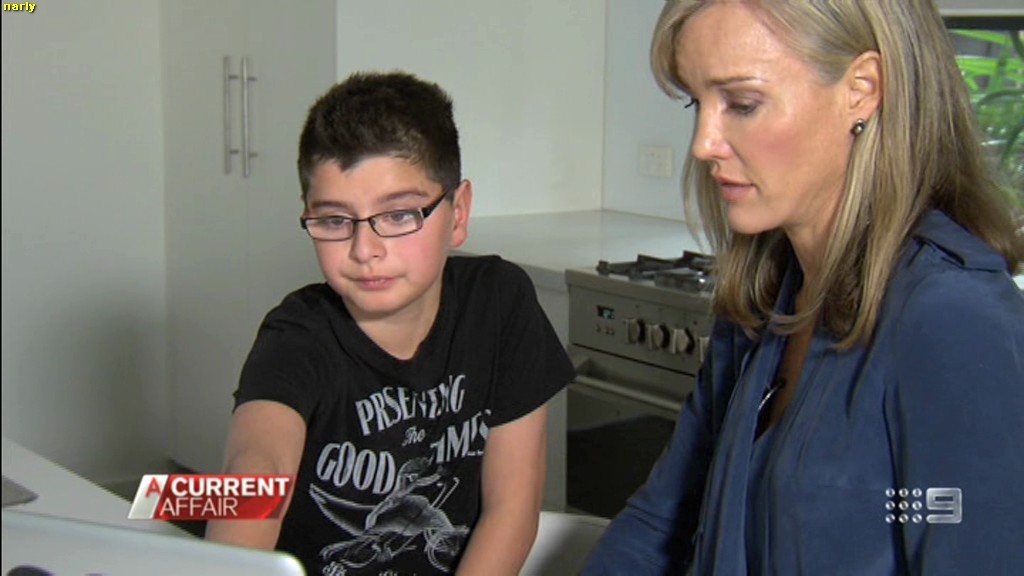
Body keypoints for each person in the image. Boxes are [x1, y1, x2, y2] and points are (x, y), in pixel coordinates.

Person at [583, 1, 1024, 574]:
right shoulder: (762, 300)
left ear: (862, 90)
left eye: (742, 103)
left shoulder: (952, 318)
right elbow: (662, 523)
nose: (702, 143)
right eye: (697, 102)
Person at [205, 71, 575, 575]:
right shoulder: (296, 336)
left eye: (399, 215)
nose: (365, 250)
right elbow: (255, 469)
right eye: (335, 220)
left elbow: (511, 507)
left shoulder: (499, 303)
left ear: (458, 214)